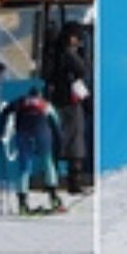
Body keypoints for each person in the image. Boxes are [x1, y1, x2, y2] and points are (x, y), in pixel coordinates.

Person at [0, 85, 65, 216]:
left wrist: (0, 132)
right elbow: (57, 128)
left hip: (23, 135)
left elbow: (5, 111)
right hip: (43, 135)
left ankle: (22, 204)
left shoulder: (20, 102)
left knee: (24, 168)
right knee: (48, 164)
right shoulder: (45, 104)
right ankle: (54, 198)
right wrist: (60, 147)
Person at [44, 22, 91, 194]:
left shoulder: (52, 52)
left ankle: (57, 180)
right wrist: (76, 54)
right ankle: (72, 182)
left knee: (61, 140)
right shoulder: (65, 53)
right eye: (76, 37)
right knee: (73, 142)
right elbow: (83, 69)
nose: (77, 41)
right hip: (68, 101)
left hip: (60, 100)